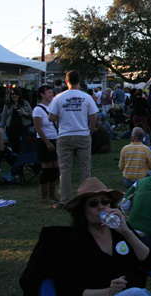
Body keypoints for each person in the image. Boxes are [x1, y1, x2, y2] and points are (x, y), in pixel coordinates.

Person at [56, 178, 151, 296]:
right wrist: (107, 292)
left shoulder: (120, 232)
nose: (101, 207)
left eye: (105, 201)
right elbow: (67, 289)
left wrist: (127, 233)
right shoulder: (74, 242)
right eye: (93, 204)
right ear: (82, 210)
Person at [48, 71, 99, 209]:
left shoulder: (58, 97)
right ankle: (87, 198)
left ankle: (65, 200)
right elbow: (93, 117)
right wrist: (90, 131)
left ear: (66, 81)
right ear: (79, 80)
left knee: (65, 169)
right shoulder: (86, 97)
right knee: (85, 168)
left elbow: (51, 117)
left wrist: (63, 118)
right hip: (83, 134)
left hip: (65, 135)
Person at [32, 85, 59, 203]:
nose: (51, 95)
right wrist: (47, 142)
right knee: (47, 169)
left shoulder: (51, 108)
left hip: (55, 139)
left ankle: (52, 194)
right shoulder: (38, 109)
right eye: (49, 93)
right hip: (44, 142)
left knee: (54, 169)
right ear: (42, 95)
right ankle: (44, 196)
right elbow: (38, 128)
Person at [1, 87, 33, 154]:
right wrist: (1, 127)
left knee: (24, 146)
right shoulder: (8, 105)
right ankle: (16, 161)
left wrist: (24, 113)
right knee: (14, 147)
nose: (14, 96)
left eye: (16, 94)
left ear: (19, 95)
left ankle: (24, 161)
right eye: (12, 94)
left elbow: (32, 114)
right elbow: (4, 117)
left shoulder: (25, 103)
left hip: (23, 128)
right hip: (11, 129)